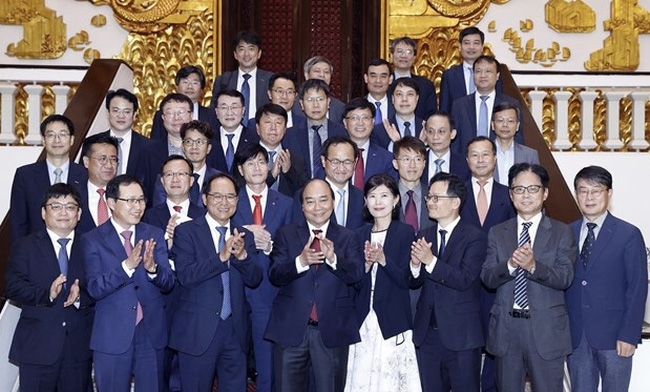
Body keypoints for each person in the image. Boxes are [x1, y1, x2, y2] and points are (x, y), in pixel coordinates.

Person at [481, 163, 576, 392]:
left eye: (533, 189)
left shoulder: (562, 231)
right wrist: (511, 265)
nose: (526, 195)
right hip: (507, 329)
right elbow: (487, 278)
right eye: (519, 189)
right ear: (511, 195)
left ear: (545, 193)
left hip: (546, 330)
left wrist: (534, 267)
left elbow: (565, 278)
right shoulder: (498, 232)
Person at [265, 178, 364, 392]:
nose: (317, 208)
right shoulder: (286, 234)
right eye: (310, 202)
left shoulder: (348, 237)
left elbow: (357, 275)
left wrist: (334, 259)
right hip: (290, 331)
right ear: (302, 206)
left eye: (323, 200)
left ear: (333, 201)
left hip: (331, 332)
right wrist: (300, 261)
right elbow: (274, 274)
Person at [169, 173, 262, 391]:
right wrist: (221, 257)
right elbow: (185, 276)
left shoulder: (245, 235)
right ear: (204, 198)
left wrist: (242, 258)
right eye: (217, 196)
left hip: (235, 331)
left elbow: (255, 279)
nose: (224, 202)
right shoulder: (187, 231)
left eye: (230, 197)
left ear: (237, 201)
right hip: (197, 332)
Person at [82, 175, 175, 392]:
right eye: (130, 201)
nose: (138, 206)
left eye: (141, 200)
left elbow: (168, 282)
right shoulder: (92, 239)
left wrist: (153, 270)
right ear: (112, 203)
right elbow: (94, 288)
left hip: (151, 332)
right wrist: (127, 266)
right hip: (112, 334)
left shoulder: (154, 234)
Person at [565, 166, 647, 392]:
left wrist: (629, 335)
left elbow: (637, 288)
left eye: (596, 191)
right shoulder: (566, 233)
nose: (589, 197)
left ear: (609, 193)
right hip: (576, 337)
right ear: (576, 195)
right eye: (583, 191)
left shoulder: (628, 234)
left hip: (616, 338)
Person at [5, 183, 94, 392]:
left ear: (79, 213)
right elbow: (11, 287)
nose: (64, 212)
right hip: (37, 348)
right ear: (44, 212)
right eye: (56, 206)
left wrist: (81, 296)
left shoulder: (91, 245)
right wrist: (47, 294)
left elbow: (99, 287)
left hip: (78, 349)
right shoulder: (25, 246)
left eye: (70, 207)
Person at [410, 172, 487, 392]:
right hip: (427, 335)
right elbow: (414, 282)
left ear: (455, 202)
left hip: (461, 335)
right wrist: (415, 265)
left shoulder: (475, 236)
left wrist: (430, 261)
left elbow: (465, 279)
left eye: (436, 198)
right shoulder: (424, 234)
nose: (430, 202)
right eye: (429, 198)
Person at [345, 174, 421, 392]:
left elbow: (408, 280)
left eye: (384, 195)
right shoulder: (358, 235)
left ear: (396, 200)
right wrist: (367, 266)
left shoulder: (405, 233)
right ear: (366, 201)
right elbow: (355, 283)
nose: (378, 202)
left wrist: (384, 261)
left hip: (392, 319)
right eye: (372, 196)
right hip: (363, 321)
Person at [232, 143, 293, 392]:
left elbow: (291, 249)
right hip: (234, 290)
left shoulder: (287, 203)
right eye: (250, 163)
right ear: (240, 169)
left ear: (269, 166)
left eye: (261, 162)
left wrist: (269, 246)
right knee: (234, 362)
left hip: (268, 295)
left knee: (267, 365)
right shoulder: (229, 201)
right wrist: (248, 236)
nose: (256, 168)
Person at [460, 136, 516, 392]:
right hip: (463, 282)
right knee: (467, 345)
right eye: (474, 155)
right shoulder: (455, 194)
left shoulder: (511, 194)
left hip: (499, 282)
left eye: (485, 154)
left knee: (496, 344)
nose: (480, 160)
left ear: (495, 159)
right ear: (467, 159)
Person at [10, 114, 87, 244]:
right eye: (51, 135)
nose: (57, 140)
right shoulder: (25, 175)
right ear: (44, 140)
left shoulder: (85, 174)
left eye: (63, 134)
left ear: (72, 140)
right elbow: (18, 223)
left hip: (77, 250)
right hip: (36, 251)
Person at [451, 55, 523, 155]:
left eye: (488, 71)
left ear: (497, 75)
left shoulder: (511, 103)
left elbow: (518, 138)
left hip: (500, 161)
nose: (483, 75)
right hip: (466, 163)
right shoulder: (459, 105)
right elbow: (454, 141)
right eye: (478, 71)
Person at [292, 136, 365, 231]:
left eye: (347, 162)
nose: (341, 168)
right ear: (323, 161)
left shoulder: (361, 198)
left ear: (355, 163)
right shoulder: (304, 195)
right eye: (335, 162)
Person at [283, 79, 348, 179]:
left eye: (320, 99)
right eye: (310, 100)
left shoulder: (342, 132)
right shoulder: (290, 135)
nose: (315, 105)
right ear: (301, 104)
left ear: (328, 102)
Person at [152, 120, 220, 206]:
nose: (194, 147)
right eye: (189, 142)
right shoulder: (166, 177)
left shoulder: (219, 179)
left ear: (208, 148)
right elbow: (159, 211)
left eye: (199, 142)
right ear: (182, 147)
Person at [210, 31, 272, 125]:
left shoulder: (270, 80)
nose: (246, 54)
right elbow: (214, 112)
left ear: (259, 53)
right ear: (235, 54)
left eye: (251, 49)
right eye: (241, 49)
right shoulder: (223, 80)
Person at [139, 93, 194, 201]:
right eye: (170, 113)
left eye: (181, 112)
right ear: (163, 117)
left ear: (191, 115)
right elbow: (143, 188)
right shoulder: (148, 150)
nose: (176, 117)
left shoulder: (209, 147)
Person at [439, 27, 503, 113]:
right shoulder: (449, 76)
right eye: (467, 43)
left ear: (482, 48)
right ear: (460, 47)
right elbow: (444, 109)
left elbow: (500, 102)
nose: (471, 47)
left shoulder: (493, 72)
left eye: (476, 43)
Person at [150, 65, 219, 141]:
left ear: (202, 90)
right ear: (177, 87)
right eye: (185, 82)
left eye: (194, 83)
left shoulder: (212, 115)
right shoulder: (162, 115)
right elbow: (155, 144)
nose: (189, 86)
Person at [256, 103, 308, 197]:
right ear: (257, 128)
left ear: (285, 129)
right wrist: (271, 176)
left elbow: (303, 194)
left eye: (278, 123)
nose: (273, 128)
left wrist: (289, 171)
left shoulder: (296, 159)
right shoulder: (246, 157)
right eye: (268, 122)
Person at [342, 98, 396, 190]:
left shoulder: (386, 159)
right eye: (354, 118)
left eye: (365, 118)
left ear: (373, 121)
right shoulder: (335, 155)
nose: (360, 123)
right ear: (345, 123)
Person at [97, 88, 151, 176]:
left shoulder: (148, 147)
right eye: (116, 111)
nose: (121, 116)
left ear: (134, 115)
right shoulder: (93, 143)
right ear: (108, 113)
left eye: (126, 112)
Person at [207, 89, 260, 174]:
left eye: (234, 107)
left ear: (243, 111)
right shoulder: (208, 139)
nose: (229, 112)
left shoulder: (254, 138)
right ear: (216, 112)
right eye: (224, 107)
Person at [76, 134, 119, 233]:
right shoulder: (73, 195)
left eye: (113, 159)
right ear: (86, 162)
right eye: (102, 159)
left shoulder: (126, 195)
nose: (109, 165)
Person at [392, 136, 433, 234]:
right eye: (406, 159)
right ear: (395, 164)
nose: (412, 165)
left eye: (418, 159)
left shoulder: (434, 196)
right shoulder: (387, 196)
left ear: (424, 164)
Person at [389, 36, 437, 119]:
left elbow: (431, 116)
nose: (403, 56)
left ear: (414, 58)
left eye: (408, 52)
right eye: (399, 51)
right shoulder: (384, 83)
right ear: (391, 55)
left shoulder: (426, 85)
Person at [491, 102, 539, 185]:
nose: (505, 125)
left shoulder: (530, 155)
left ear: (517, 126)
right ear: (492, 125)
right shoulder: (484, 153)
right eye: (500, 120)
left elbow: (536, 184)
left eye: (510, 121)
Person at [372, 77, 423, 151]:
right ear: (392, 99)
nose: (404, 99)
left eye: (410, 94)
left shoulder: (426, 129)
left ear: (417, 98)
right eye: (399, 94)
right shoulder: (379, 131)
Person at [420, 111, 470, 184]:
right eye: (431, 131)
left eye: (441, 131)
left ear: (452, 134)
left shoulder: (465, 164)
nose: (435, 137)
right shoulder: (418, 162)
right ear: (425, 133)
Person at [303, 56, 345, 123]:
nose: (322, 75)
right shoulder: (293, 105)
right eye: (317, 71)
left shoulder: (340, 108)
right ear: (307, 75)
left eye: (326, 72)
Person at [364, 59, 394, 124]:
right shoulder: (355, 107)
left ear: (390, 79)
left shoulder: (398, 107)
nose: (378, 80)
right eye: (373, 76)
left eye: (383, 76)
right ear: (366, 78)